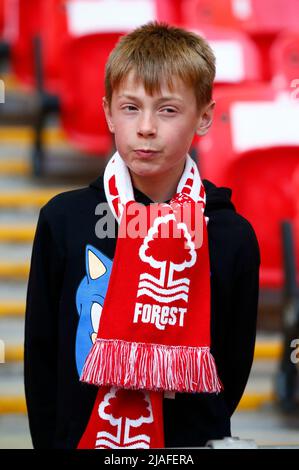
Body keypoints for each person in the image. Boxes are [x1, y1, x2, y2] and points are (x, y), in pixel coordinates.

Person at [24, 21, 260, 449]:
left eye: (168, 109)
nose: (146, 127)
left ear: (204, 116)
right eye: (130, 107)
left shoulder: (229, 235)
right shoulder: (64, 219)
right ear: (108, 112)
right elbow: (42, 358)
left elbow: (231, 363)